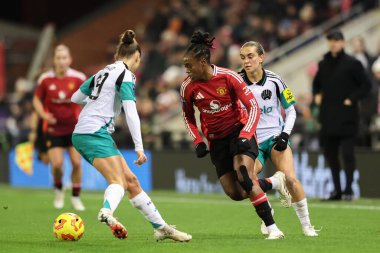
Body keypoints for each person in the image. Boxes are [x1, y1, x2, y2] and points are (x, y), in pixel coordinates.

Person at [71, 30, 192, 241]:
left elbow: (75, 97)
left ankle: (161, 228)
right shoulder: (126, 75)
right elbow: (132, 112)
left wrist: (99, 100)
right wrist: (139, 147)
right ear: (137, 57)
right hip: (94, 133)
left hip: (86, 132)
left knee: (131, 181)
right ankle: (107, 212)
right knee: (118, 181)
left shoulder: (102, 72)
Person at [181, 30, 284, 240]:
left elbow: (253, 106)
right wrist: (198, 140)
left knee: (244, 175)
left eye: (189, 65)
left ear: (202, 62)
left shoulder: (228, 77)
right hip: (216, 140)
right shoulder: (187, 87)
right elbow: (188, 117)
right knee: (235, 193)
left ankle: (272, 228)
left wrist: (246, 133)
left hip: (238, 132)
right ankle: (273, 184)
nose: (186, 69)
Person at [239, 41, 319, 237]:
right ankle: (272, 193)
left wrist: (285, 134)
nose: (246, 61)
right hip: (252, 141)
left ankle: (307, 226)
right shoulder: (237, 82)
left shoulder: (275, 80)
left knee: (291, 179)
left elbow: (291, 111)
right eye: (243, 58)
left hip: (275, 136)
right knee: (248, 181)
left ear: (261, 58)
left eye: (250, 56)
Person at [312, 30, 371, 201]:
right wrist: (316, 94)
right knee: (331, 156)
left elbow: (366, 85)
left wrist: (352, 99)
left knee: (347, 155)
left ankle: (349, 190)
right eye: (330, 40)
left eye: (336, 40)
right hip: (328, 118)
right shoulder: (323, 64)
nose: (333, 43)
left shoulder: (352, 63)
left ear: (343, 43)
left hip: (347, 118)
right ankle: (337, 190)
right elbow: (316, 85)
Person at [33, 44, 86, 211]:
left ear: (69, 60)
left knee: (77, 163)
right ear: (54, 60)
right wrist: (43, 115)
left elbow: (88, 99)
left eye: (64, 58)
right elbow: (36, 100)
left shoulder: (78, 78)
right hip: (53, 129)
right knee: (57, 164)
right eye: (58, 58)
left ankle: (76, 197)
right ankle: (58, 189)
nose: (62, 61)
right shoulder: (45, 79)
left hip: (74, 129)